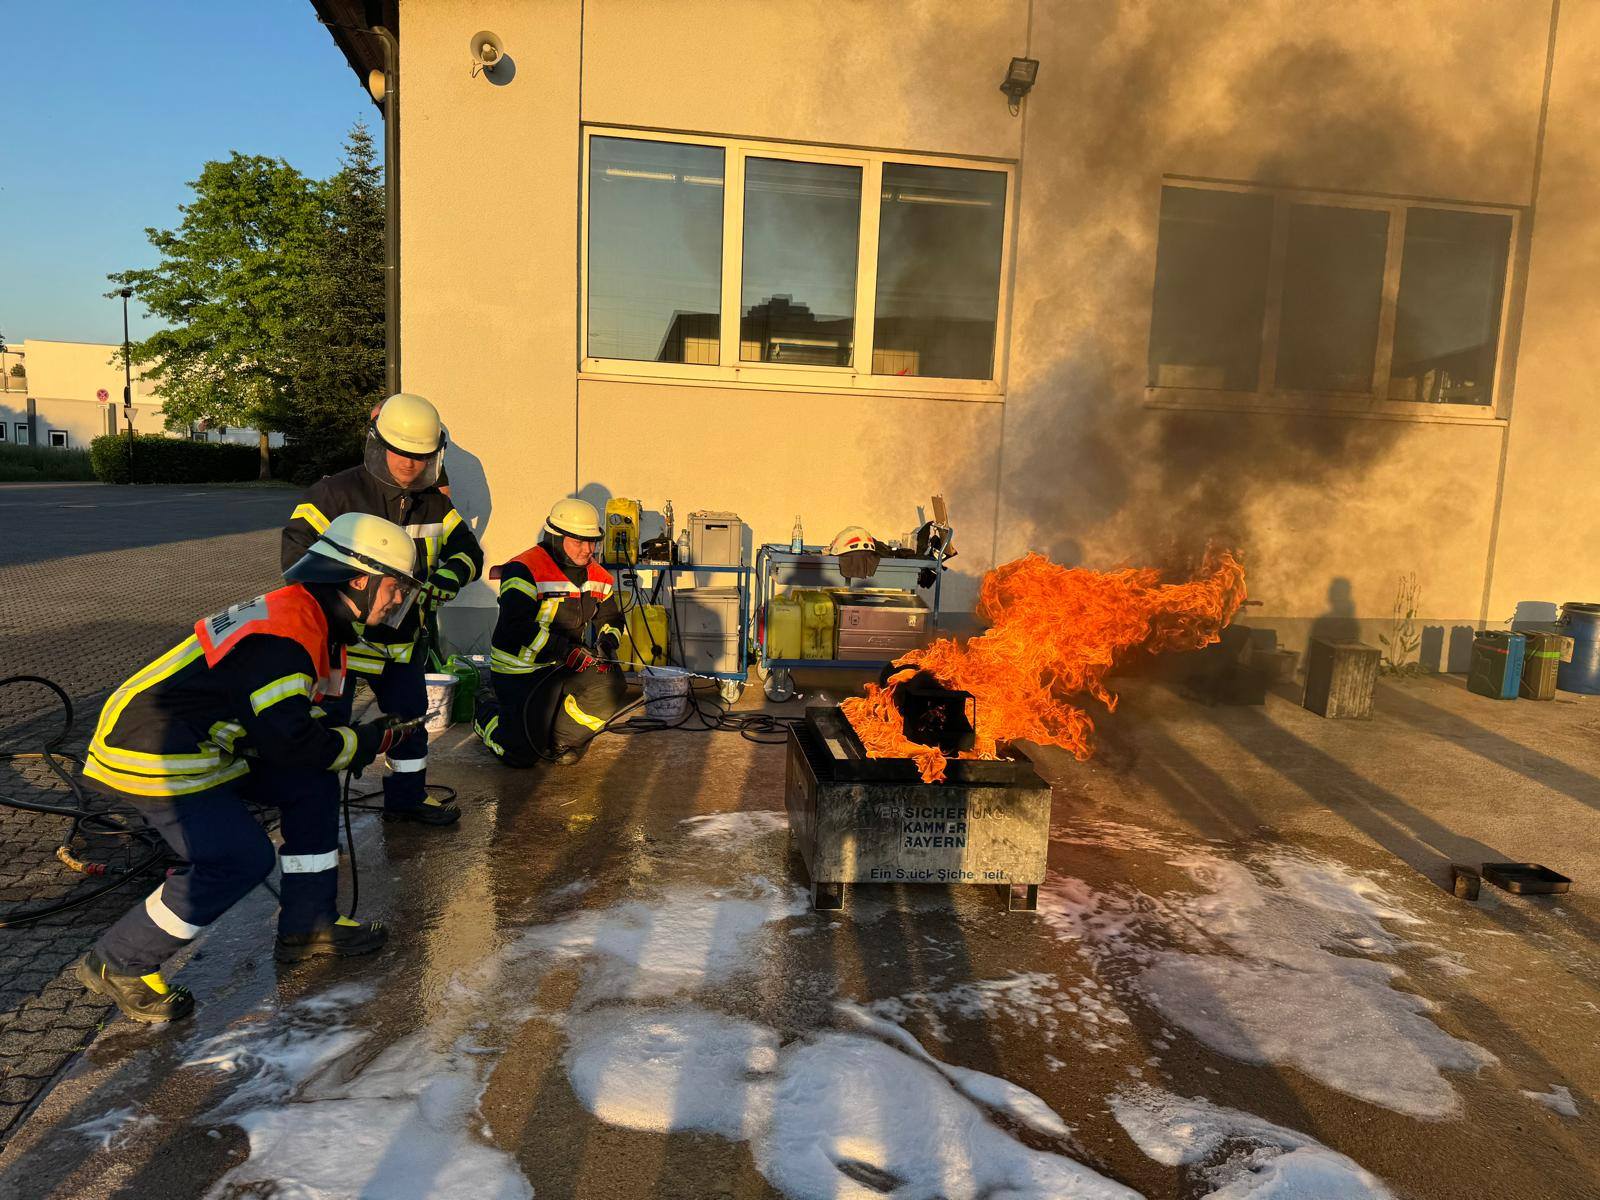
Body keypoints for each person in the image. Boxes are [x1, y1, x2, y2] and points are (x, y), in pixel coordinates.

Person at [75, 513, 423, 1023]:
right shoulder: (288, 634)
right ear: (359, 579)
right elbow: (292, 741)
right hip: (153, 752)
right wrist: (365, 741)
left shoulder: (314, 617)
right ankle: (120, 961)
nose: (397, 601)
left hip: (196, 742)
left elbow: (298, 729)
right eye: (395, 588)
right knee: (238, 858)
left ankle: (310, 923)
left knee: (312, 786)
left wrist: (351, 738)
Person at [282, 393, 483, 826]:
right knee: (329, 729)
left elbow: (468, 552)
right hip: (344, 644)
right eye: (401, 452)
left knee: (409, 723)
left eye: (420, 456)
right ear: (378, 443)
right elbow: (296, 561)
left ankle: (406, 800)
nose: (410, 464)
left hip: (402, 642)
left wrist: (448, 578)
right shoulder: (333, 494)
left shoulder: (434, 503)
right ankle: (316, 814)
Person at [474, 498, 627, 766]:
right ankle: (486, 714)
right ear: (556, 537)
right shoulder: (523, 569)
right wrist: (565, 650)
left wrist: (607, 643)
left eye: (592, 541)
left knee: (611, 684)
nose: (588, 549)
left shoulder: (599, 576)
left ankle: (560, 741)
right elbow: (515, 626)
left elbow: (612, 618)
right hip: (520, 671)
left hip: (562, 666)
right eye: (579, 541)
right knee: (520, 756)